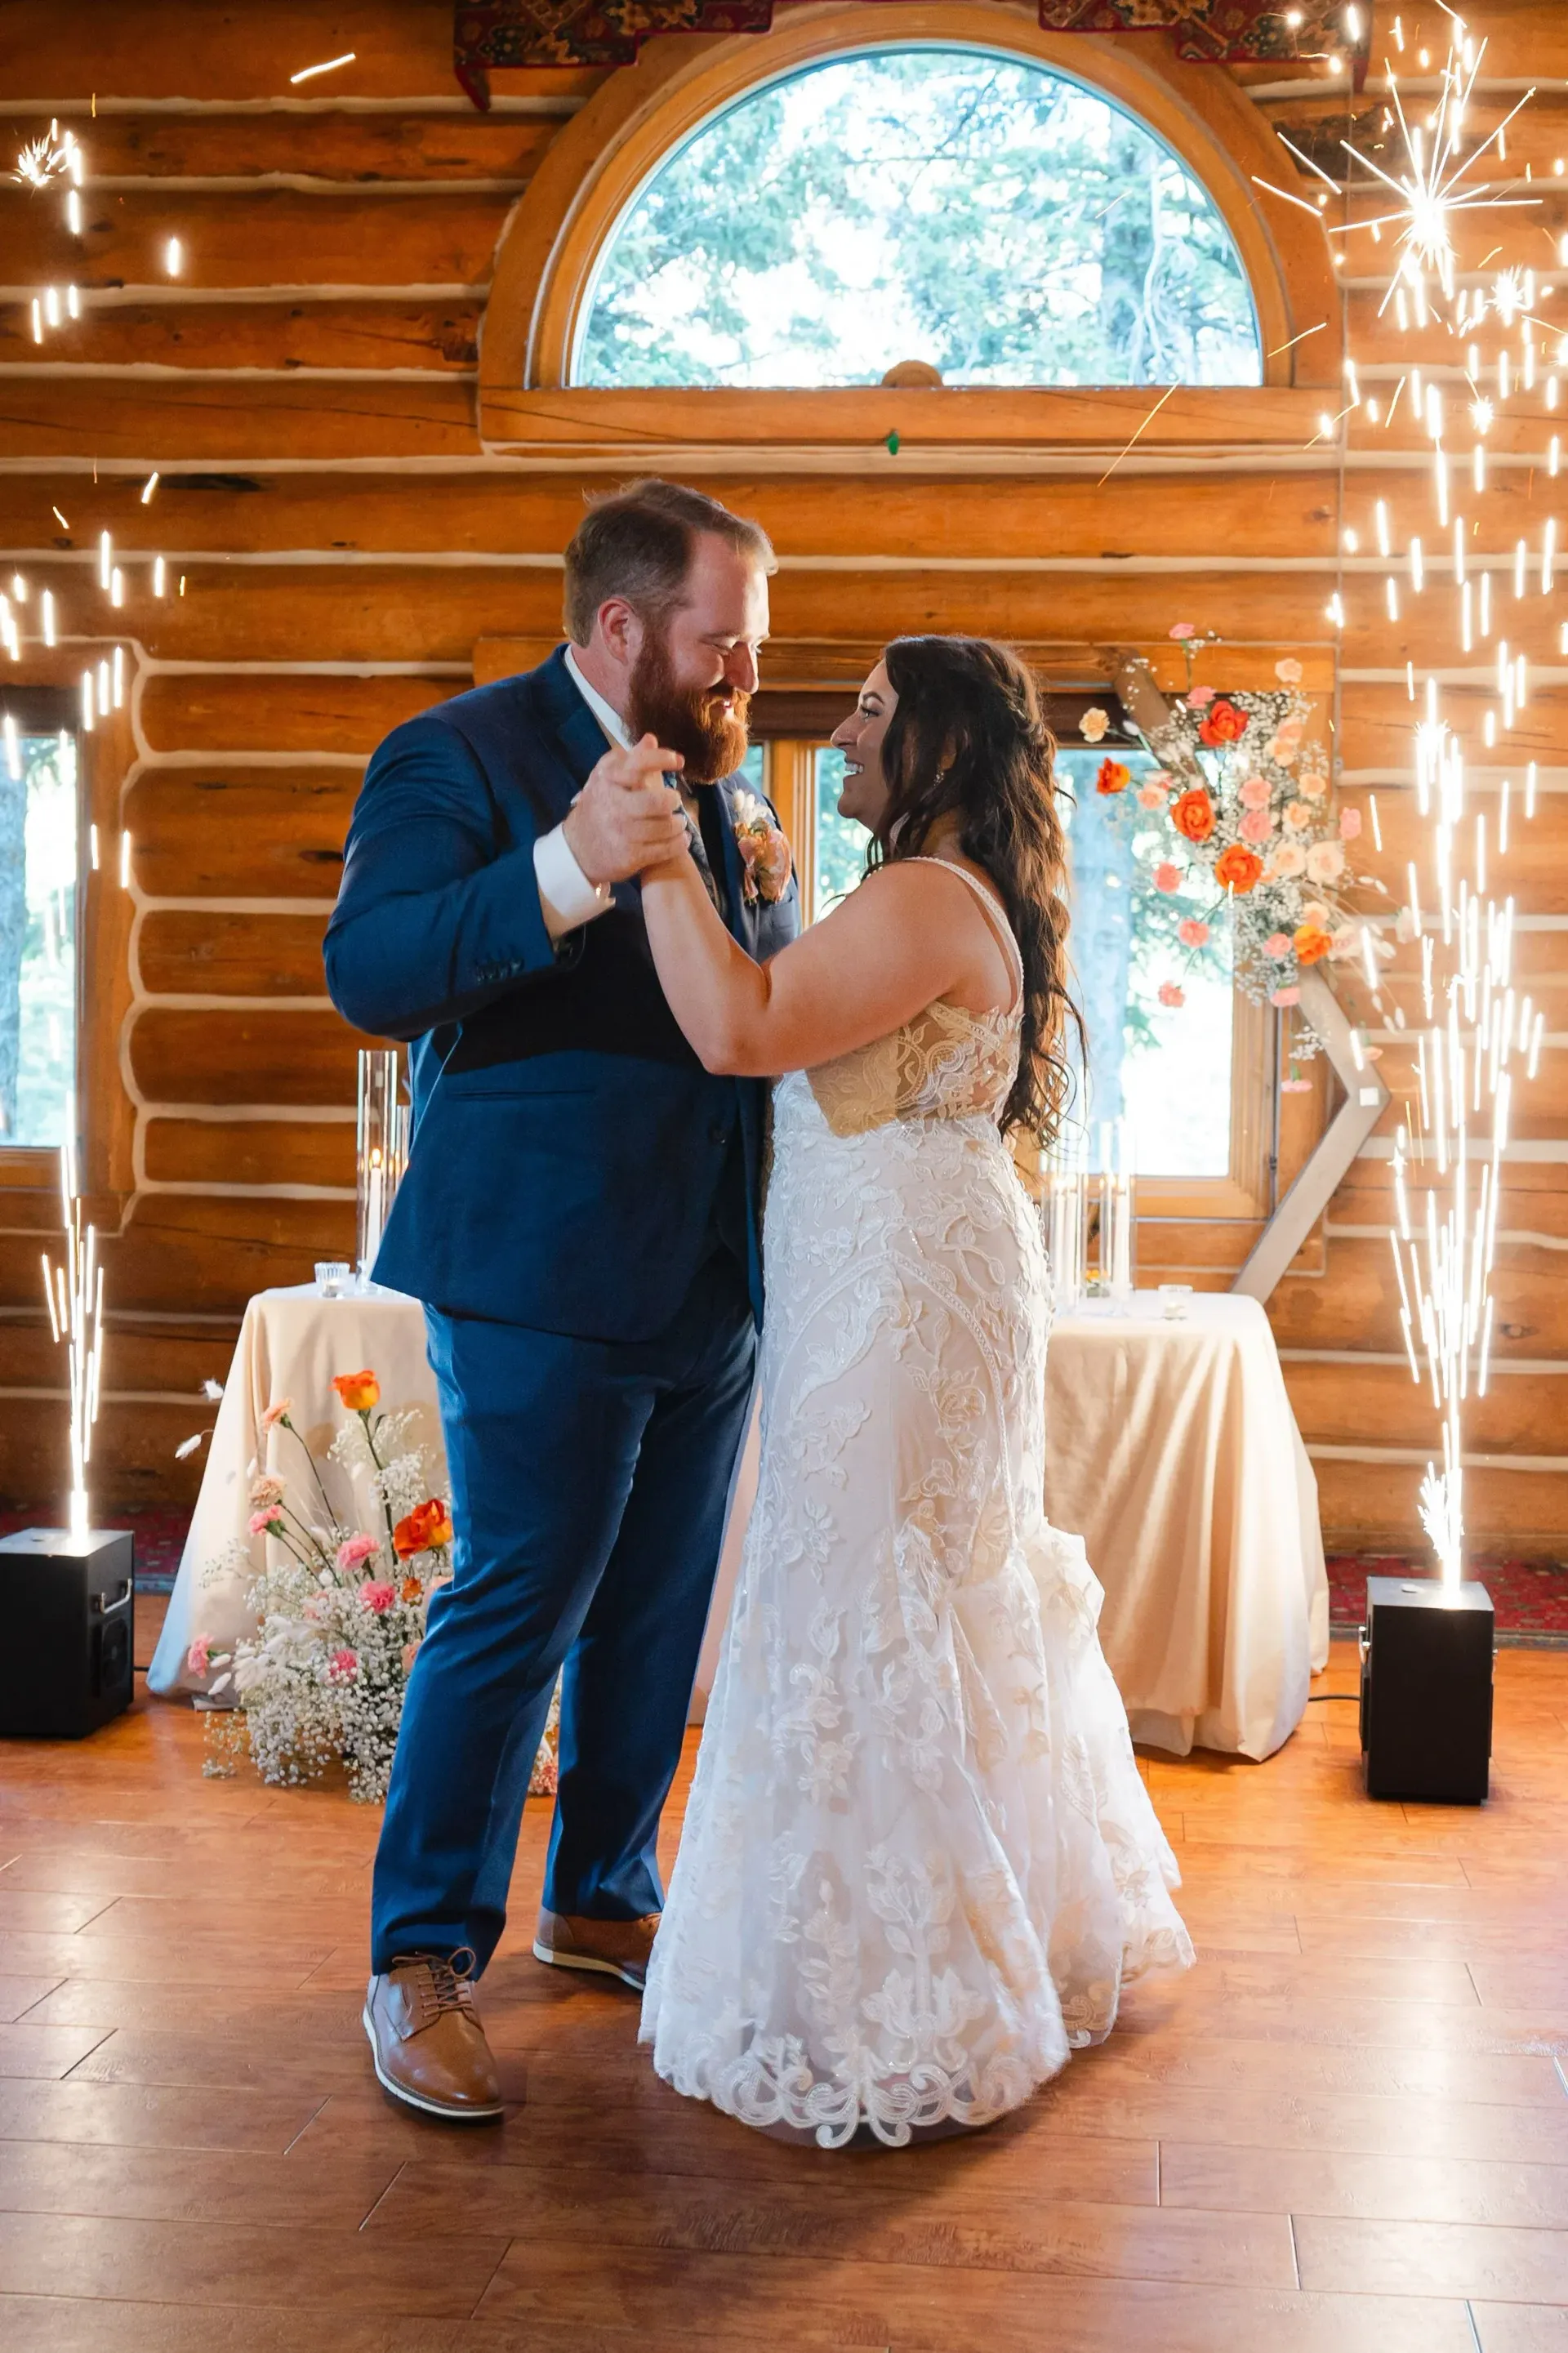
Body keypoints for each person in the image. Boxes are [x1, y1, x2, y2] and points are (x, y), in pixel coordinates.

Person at [632, 635, 1194, 2147]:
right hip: (905, 1266)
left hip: (894, 1286)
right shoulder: (944, 896)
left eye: (876, 711)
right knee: (928, 1582)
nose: (849, 729)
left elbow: (744, 1029)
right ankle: (957, 1923)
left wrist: (662, 861)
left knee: (861, 1589)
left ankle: (890, 1990)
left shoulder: (928, 897)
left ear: (941, 743)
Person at [324, 480, 799, 2123]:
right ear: (621, 628)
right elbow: (371, 973)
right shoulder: (457, 754)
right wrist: (561, 865)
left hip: (707, 1273)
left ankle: (603, 1895)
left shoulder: (726, 787)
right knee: (516, 1605)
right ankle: (420, 1959)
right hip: (534, 1271)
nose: (746, 670)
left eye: (752, 643)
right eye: (720, 640)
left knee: (659, 1609)